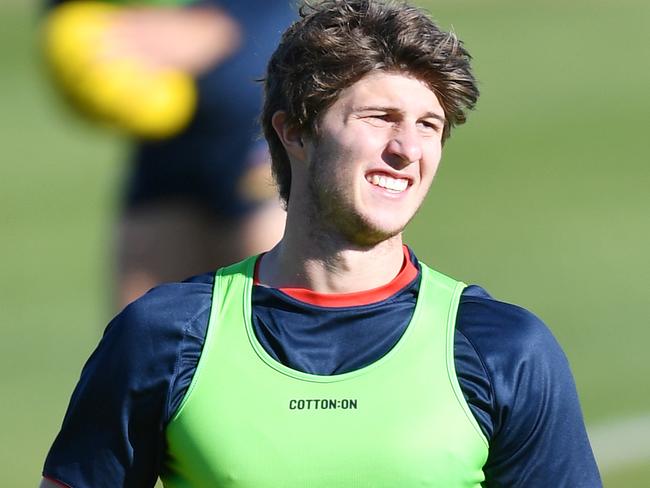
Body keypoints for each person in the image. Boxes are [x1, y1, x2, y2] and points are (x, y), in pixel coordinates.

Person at [40, 0, 602, 486]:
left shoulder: (505, 350)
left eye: (429, 125)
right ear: (295, 131)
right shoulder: (160, 337)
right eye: (379, 117)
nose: (407, 148)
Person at [41, 0, 294, 307]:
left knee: (278, 312)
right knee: (138, 329)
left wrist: (229, 19)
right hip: (163, 112)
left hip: (249, 108)